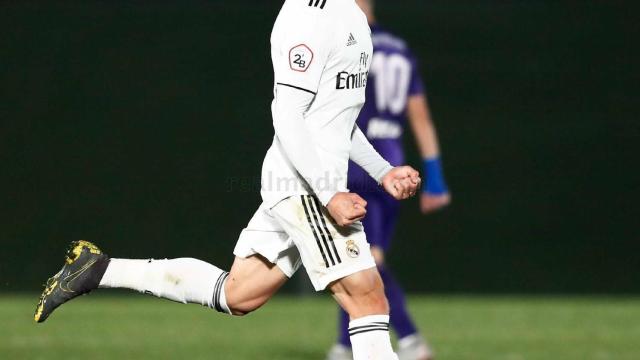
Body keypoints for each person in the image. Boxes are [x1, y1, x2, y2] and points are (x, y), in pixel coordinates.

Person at [34, 1, 421, 359]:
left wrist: (382, 170)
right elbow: (288, 114)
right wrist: (327, 193)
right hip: (305, 186)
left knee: (239, 294)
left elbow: (336, 116)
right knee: (367, 297)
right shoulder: (308, 15)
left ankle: (98, 269)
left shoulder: (350, 15)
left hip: (311, 183)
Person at [326, 1, 451, 359]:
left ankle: (409, 340)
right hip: (392, 162)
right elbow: (420, 115)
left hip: (360, 163)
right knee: (356, 256)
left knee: (362, 260)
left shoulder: (350, 43)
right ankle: (345, 346)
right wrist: (436, 178)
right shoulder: (399, 48)